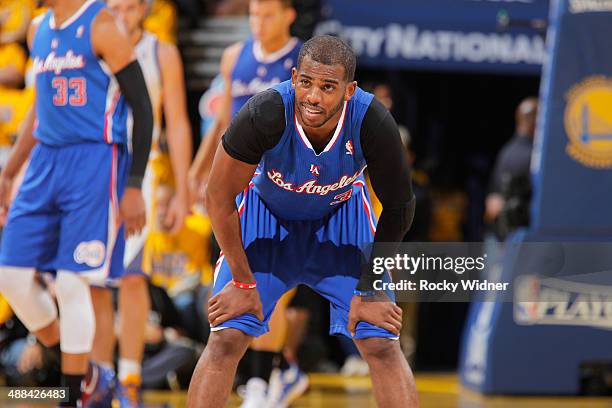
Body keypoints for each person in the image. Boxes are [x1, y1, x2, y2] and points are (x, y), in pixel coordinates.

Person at [187, 35, 418, 408]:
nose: (314, 96)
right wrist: (242, 280)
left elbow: (399, 206)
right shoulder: (265, 112)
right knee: (226, 337)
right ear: (294, 78)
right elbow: (218, 196)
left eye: (328, 87)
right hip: (267, 221)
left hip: (340, 222)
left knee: (380, 341)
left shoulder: (372, 120)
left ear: (349, 90)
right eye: (307, 83)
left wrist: (370, 288)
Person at [0, 0, 153, 405]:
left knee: (72, 281)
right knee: (11, 276)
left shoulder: (102, 24)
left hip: (95, 159)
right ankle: (87, 374)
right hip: (44, 161)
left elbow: (143, 106)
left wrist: (134, 184)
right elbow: (39, 108)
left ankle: (72, 396)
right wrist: (9, 171)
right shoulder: (37, 29)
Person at [188, 1, 307, 405]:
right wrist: (197, 170)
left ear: (288, 14)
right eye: (254, 14)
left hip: (285, 186)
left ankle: (259, 381)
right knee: (239, 282)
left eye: (268, 14)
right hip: (238, 188)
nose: (259, 21)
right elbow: (222, 122)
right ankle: (279, 371)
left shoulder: (304, 59)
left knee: (273, 284)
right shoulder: (233, 56)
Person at [86, 0, 192, 405]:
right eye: (116, 7)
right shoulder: (92, 44)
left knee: (131, 276)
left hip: (142, 170)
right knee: (92, 277)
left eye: (131, 7)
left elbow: (178, 123)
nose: (123, 15)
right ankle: (98, 377)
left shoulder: (160, 51)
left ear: (145, 10)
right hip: (95, 165)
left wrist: (182, 190)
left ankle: (128, 379)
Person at [485, 97, 538, 237]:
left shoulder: (506, 151)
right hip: (519, 235)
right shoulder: (535, 156)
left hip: (502, 233)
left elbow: (492, 198)